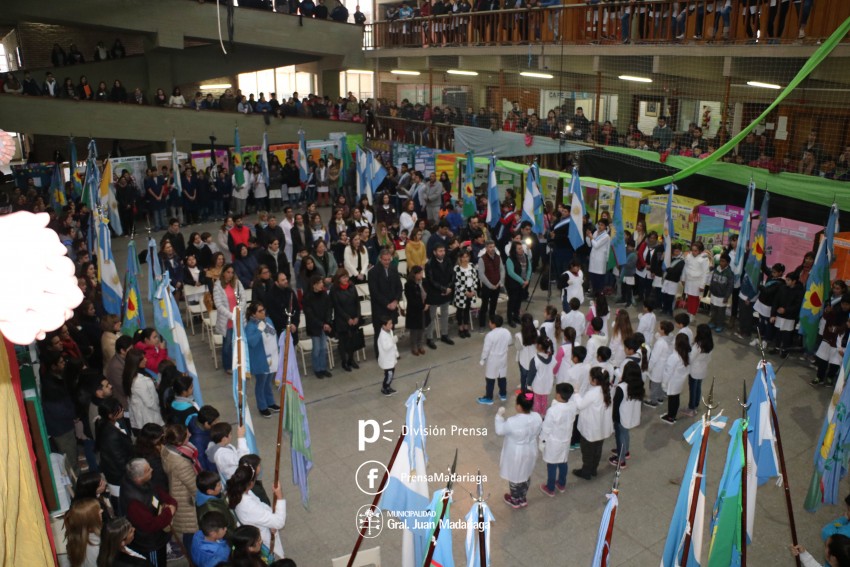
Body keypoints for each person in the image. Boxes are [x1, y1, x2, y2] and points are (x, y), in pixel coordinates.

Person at [118, 459, 177, 566]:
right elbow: (150, 525)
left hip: (158, 536)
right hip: (150, 543)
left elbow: (157, 491)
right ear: (139, 477)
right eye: (148, 470)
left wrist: (171, 502)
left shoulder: (142, 481)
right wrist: (169, 512)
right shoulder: (134, 502)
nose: (152, 470)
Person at [227, 462, 286, 559]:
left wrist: (270, 521)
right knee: (269, 558)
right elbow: (279, 522)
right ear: (251, 484)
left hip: (259, 525)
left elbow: (260, 506)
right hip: (261, 538)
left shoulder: (239, 491)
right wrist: (279, 496)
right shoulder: (248, 506)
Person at [495, 392, 543, 508]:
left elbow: (499, 430)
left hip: (516, 452)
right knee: (526, 473)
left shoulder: (512, 421)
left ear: (519, 406)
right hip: (531, 449)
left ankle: (515, 499)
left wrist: (499, 416)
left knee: (515, 476)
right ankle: (523, 497)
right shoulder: (537, 417)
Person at [161, 423, 200, 554]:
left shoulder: (167, 449)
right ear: (179, 442)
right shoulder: (181, 463)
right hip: (186, 500)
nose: (190, 434)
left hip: (177, 492)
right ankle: (192, 556)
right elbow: (194, 487)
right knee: (191, 531)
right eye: (187, 435)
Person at [572, 367, 614, 480]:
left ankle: (586, 472)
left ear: (595, 380)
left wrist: (576, 393)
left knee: (587, 451)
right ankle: (593, 469)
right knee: (597, 449)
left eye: (590, 376)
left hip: (591, 429)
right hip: (601, 428)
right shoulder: (607, 389)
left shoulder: (593, 393)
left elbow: (580, 405)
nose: (589, 378)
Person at [539, 383, 576, 497]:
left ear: (559, 395)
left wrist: (542, 441)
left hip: (554, 441)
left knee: (552, 464)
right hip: (566, 439)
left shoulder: (553, 411)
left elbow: (546, 428)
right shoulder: (572, 405)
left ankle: (550, 488)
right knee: (563, 462)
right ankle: (561, 484)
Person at [245, 302, 280, 417]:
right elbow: (252, 343)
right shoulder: (250, 326)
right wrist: (259, 330)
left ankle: (270, 402)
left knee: (268, 382)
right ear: (253, 314)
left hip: (272, 357)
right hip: (261, 360)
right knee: (261, 383)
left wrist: (278, 349)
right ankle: (262, 406)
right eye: (260, 311)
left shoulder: (268, 320)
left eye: (263, 310)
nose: (263, 312)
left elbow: (274, 335)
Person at [96, 398, 134, 501]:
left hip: (116, 470)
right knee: (122, 499)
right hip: (118, 474)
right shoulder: (111, 435)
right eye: (119, 410)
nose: (122, 410)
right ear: (110, 415)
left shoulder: (109, 424)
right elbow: (119, 460)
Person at [369, 248, 404, 356]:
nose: (387, 262)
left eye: (389, 259)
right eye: (385, 260)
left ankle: (391, 352)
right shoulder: (373, 272)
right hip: (380, 308)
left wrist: (396, 301)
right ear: (380, 259)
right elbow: (374, 292)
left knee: (391, 330)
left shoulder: (393, 268)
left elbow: (399, 287)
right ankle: (380, 354)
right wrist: (387, 304)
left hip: (392, 306)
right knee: (379, 332)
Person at [610, 360, 644, 468]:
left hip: (621, 417)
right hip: (631, 416)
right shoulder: (639, 385)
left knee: (620, 437)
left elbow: (616, 404)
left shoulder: (622, 387)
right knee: (625, 434)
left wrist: (614, 418)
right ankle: (625, 451)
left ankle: (621, 460)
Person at [213, 264, 246, 370]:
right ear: (223, 273)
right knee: (227, 345)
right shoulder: (218, 285)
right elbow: (218, 305)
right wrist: (232, 316)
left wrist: (239, 311)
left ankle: (239, 364)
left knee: (239, 343)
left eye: (232, 272)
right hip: (227, 320)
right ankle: (228, 366)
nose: (230, 275)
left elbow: (243, 298)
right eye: (228, 272)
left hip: (238, 318)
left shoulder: (237, 283)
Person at [123, 349, 163, 431]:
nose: (146, 360)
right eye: (142, 359)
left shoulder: (129, 374)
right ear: (135, 362)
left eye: (144, 357)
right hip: (148, 417)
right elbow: (150, 403)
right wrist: (159, 408)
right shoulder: (139, 381)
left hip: (141, 416)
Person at [330, 269, 362, 372]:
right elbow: (337, 306)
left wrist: (357, 316)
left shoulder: (352, 286)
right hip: (342, 319)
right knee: (343, 342)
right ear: (338, 279)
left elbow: (357, 302)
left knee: (352, 341)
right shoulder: (334, 289)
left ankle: (351, 360)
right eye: (343, 277)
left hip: (353, 318)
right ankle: (344, 362)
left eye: (347, 277)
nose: (346, 279)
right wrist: (347, 318)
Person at [302, 275, 333, 379]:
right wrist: (322, 324)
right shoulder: (307, 297)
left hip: (324, 325)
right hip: (314, 327)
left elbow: (329, 308)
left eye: (322, 282)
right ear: (314, 285)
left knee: (323, 348)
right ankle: (317, 369)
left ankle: (323, 368)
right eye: (319, 283)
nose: (322, 284)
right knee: (317, 349)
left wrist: (327, 322)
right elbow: (310, 315)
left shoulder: (324, 294)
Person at [478, 314, 513, 405]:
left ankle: (489, 398)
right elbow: (510, 342)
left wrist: (482, 359)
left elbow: (486, 350)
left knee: (490, 379)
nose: (489, 323)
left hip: (493, 360)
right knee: (502, 377)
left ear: (493, 324)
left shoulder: (490, 335)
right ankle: (503, 394)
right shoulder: (506, 332)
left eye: (490, 322)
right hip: (503, 358)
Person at [771, 270, 805, 358]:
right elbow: (776, 301)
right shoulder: (782, 288)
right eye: (786, 279)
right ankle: (777, 347)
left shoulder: (799, 292)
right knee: (778, 332)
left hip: (790, 317)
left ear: (794, 281)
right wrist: (773, 314)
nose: (786, 281)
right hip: (780, 315)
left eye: (788, 280)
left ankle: (785, 350)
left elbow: (797, 305)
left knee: (787, 334)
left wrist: (786, 310)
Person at [661, 333, 691, 424]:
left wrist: (664, 383)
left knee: (672, 399)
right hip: (679, 382)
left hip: (672, 382)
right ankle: (673, 415)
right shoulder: (686, 355)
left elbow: (668, 372)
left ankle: (670, 417)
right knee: (676, 398)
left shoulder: (674, 357)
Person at [64, 497, 103, 567]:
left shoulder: (76, 538)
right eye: (99, 512)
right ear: (92, 519)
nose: (102, 511)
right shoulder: (95, 548)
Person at [477, 240, 504, 330]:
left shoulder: (498, 257)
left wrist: (500, 282)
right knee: (484, 306)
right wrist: (490, 285)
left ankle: (493, 323)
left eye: (493, 247)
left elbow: (502, 270)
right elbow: (481, 275)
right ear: (486, 248)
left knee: (493, 306)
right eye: (490, 247)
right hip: (487, 287)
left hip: (497, 285)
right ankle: (481, 325)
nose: (492, 249)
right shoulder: (482, 259)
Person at [505, 240, 532, 328]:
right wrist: (522, 281)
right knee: (512, 302)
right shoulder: (510, 259)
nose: (521, 250)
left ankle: (516, 316)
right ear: (514, 250)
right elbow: (511, 273)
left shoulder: (525, 257)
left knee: (519, 301)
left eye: (521, 248)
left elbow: (529, 268)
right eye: (519, 249)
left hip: (523, 283)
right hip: (512, 284)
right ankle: (510, 319)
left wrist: (527, 279)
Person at [453, 248, 479, 338]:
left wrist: (474, 290)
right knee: (460, 311)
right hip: (461, 293)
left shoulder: (471, 266)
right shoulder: (457, 268)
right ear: (460, 258)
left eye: (467, 257)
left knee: (467, 310)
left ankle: (466, 328)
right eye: (463, 257)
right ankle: (460, 328)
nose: (465, 259)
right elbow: (456, 282)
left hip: (471, 291)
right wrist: (465, 292)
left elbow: (475, 279)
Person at [528, 335, 556, 417]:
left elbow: (531, 374)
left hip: (538, 385)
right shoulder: (552, 357)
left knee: (537, 401)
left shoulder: (534, 360)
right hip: (548, 384)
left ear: (539, 346)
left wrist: (528, 384)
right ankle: (543, 414)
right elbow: (553, 367)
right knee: (544, 400)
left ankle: (537, 416)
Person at [683, 241, 712, 317]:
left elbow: (705, 273)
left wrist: (702, 285)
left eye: (696, 251)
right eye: (692, 250)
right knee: (689, 297)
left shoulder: (704, 258)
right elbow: (685, 267)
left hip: (697, 282)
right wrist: (683, 279)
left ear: (700, 251)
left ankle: (692, 314)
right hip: (689, 280)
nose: (693, 252)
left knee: (695, 298)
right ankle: (689, 312)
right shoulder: (689, 256)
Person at [708, 254, 734, 333]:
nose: (721, 263)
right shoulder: (716, 269)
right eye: (720, 261)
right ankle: (713, 322)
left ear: (728, 263)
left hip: (722, 296)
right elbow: (712, 280)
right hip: (714, 294)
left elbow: (730, 286)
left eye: (723, 261)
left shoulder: (729, 273)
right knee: (713, 310)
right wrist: (710, 290)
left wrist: (726, 297)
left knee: (721, 312)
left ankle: (720, 325)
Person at [585, 218, 611, 295]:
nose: (599, 226)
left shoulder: (606, 236)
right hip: (593, 259)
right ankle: (593, 292)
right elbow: (590, 244)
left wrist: (591, 237)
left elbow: (596, 245)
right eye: (599, 224)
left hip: (600, 260)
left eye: (602, 225)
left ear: (605, 226)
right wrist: (588, 236)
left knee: (599, 278)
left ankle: (599, 294)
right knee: (592, 277)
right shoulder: (596, 232)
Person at [377, 317, 400, 396]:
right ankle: (384, 388)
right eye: (389, 324)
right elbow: (386, 347)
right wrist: (393, 340)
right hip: (386, 360)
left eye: (391, 323)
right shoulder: (382, 336)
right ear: (384, 326)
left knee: (391, 373)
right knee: (389, 375)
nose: (391, 325)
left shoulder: (390, 331)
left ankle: (388, 386)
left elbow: (393, 345)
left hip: (391, 358)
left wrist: (396, 353)